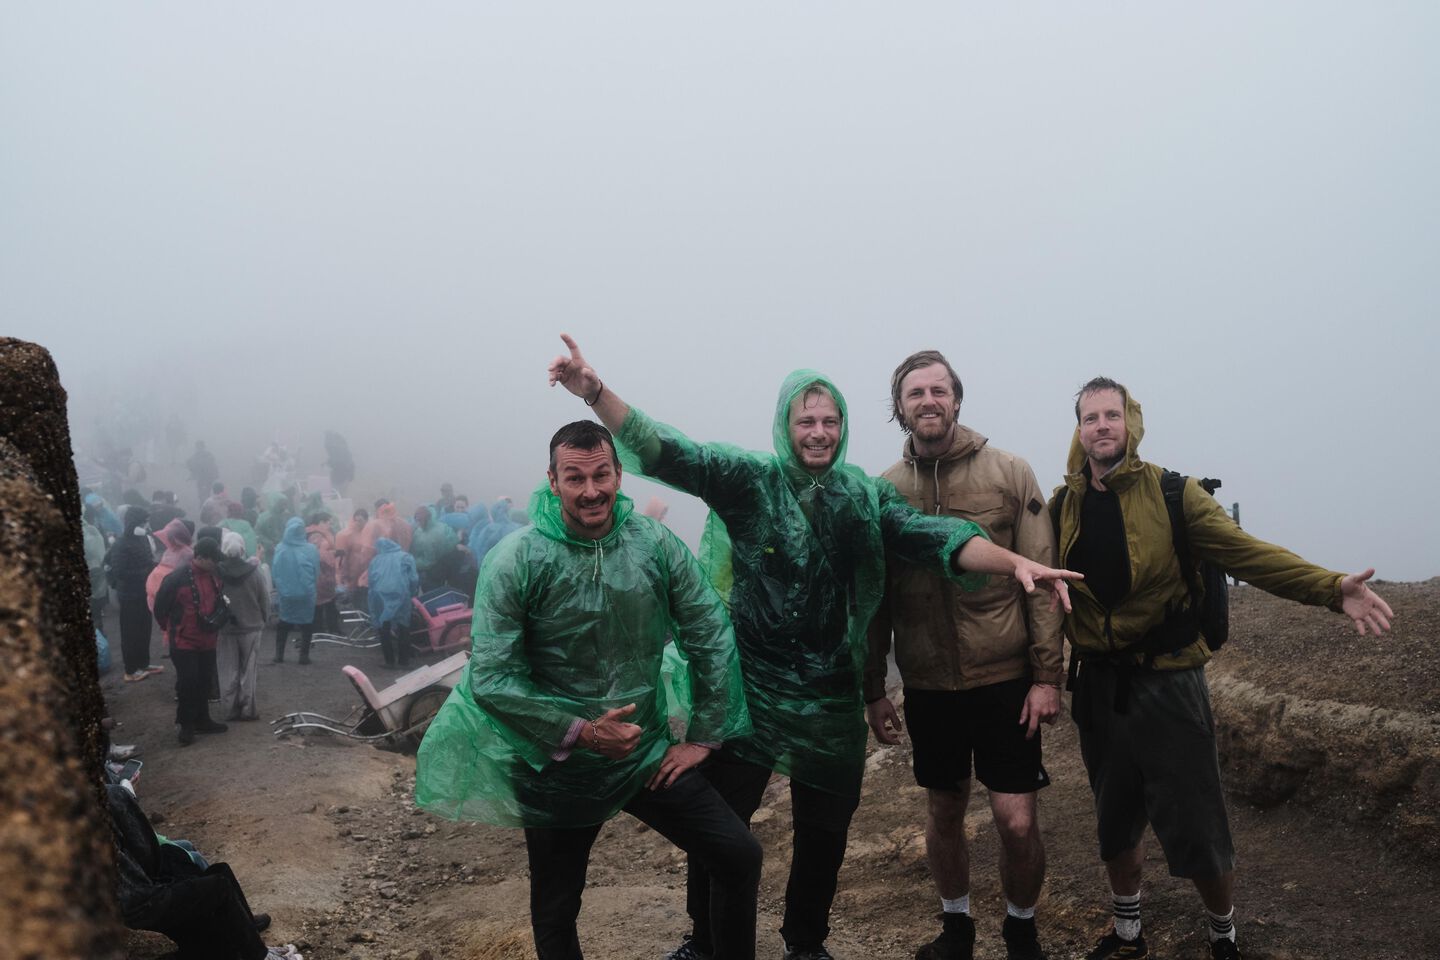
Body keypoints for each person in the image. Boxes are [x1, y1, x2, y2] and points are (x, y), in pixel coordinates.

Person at [548, 335, 1079, 960]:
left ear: (843, 427)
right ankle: (706, 941)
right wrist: (595, 393)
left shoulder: (863, 496)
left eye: (830, 421)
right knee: (721, 829)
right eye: (806, 421)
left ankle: (805, 944)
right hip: (753, 694)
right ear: (786, 424)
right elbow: (670, 451)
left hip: (829, 698)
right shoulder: (751, 480)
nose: (819, 433)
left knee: (823, 835)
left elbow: (934, 536)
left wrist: (1013, 562)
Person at [1053, 377, 1394, 960]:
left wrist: (1329, 588)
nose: (1102, 426)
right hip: (1099, 686)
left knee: (1199, 821)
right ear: (1079, 430)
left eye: (1112, 414)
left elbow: (1248, 554)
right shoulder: (1064, 505)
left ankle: (1222, 935)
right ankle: (1128, 932)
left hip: (1169, 682)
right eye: (1091, 417)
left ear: (1131, 423)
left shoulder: (1175, 494)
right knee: (1114, 817)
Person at [416, 420, 761, 960]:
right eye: (575, 478)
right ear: (553, 480)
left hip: (641, 751)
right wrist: (580, 732)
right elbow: (491, 676)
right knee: (557, 907)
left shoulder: (653, 544)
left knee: (738, 855)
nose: (591, 490)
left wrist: (704, 734)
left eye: (602, 475)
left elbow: (708, 632)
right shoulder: (519, 559)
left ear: (619, 474)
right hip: (555, 763)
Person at [862, 350, 1064, 960]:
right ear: (899, 407)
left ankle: (1021, 932)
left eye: (938, 391)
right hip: (929, 683)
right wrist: (873, 688)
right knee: (944, 809)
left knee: (1017, 821)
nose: (928, 401)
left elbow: (1041, 579)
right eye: (915, 393)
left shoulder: (1010, 472)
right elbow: (874, 598)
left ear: (956, 399)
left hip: (1004, 678)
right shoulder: (882, 491)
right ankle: (956, 931)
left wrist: (1046, 676)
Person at [108, 780, 298, 959]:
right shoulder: (112, 798)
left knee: (219, 870)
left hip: (134, 898)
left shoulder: (99, 805)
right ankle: (259, 955)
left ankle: (250, 935)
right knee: (218, 885)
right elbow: (145, 850)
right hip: (143, 903)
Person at [153, 537, 230, 746]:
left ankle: (202, 719)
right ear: (201, 557)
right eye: (213, 559)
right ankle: (186, 725)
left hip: (208, 638)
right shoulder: (176, 579)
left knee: (205, 680)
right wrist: (171, 628)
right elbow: (160, 608)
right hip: (183, 640)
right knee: (188, 682)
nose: (216, 563)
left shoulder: (215, 574)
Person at [216, 531, 271, 721]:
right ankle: (248, 709)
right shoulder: (254, 572)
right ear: (242, 549)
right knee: (249, 670)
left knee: (227, 670)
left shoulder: (217, 573)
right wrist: (264, 619)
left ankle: (229, 709)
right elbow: (264, 598)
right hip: (252, 627)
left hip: (226, 628)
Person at [107, 505, 165, 682]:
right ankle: (131, 670)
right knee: (130, 632)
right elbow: (120, 572)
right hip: (129, 595)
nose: (146, 525)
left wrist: (157, 567)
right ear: (133, 523)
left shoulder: (144, 539)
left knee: (144, 629)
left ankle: (143, 663)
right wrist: (145, 572)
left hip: (144, 592)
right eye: (143, 522)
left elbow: (147, 561)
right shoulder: (121, 544)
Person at [365, 537, 419, 669]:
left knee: (384, 627)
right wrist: (412, 592)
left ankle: (389, 661)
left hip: (379, 596)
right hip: (401, 594)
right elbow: (413, 578)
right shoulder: (406, 557)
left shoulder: (375, 560)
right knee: (403, 626)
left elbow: (371, 580)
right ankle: (404, 661)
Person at [271, 517, 319, 664]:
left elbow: (275, 571)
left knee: (284, 622)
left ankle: (279, 655)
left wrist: (280, 588)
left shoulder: (280, 548)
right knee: (306, 624)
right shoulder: (311, 549)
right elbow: (316, 571)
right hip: (306, 593)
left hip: (286, 593)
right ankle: (303, 656)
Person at [410, 504, 460, 592]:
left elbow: (429, 561)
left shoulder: (431, 536)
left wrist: (412, 562)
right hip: (444, 568)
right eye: (417, 520)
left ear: (427, 519)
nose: (418, 523)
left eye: (420, 520)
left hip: (434, 572)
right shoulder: (439, 526)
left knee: (431, 592)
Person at [305, 511, 341, 635]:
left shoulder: (314, 533)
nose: (329, 526)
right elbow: (317, 554)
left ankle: (322, 629)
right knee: (325, 602)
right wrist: (334, 554)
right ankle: (328, 629)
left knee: (322, 602)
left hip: (322, 573)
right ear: (321, 522)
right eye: (328, 523)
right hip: (320, 573)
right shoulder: (316, 536)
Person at [335, 507, 371, 611]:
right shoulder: (345, 535)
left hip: (365, 574)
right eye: (356, 520)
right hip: (351, 574)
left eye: (360, 520)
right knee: (354, 601)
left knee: (365, 600)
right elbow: (340, 559)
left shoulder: (369, 533)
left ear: (366, 520)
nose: (357, 523)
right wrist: (341, 576)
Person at [186, 441, 220, 509]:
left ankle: (205, 503)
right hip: (205, 476)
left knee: (204, 490)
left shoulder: (200, 455)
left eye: (199, 447)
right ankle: (204, 502)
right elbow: (190, 463)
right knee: (203, 490)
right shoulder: (204, 455)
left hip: (207, 476)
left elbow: (190, 463)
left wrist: (192, 470)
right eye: (198, 447)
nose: (198, 448)